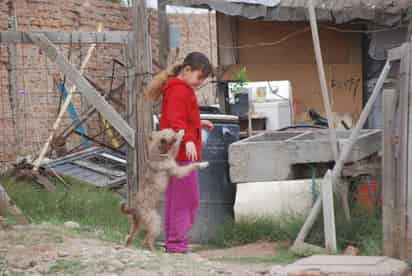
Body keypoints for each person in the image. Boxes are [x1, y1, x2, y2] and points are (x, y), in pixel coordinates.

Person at [159, 52, 214, 253]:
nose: (200, 82)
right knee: (188, 199)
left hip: (176, 153)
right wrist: (189, 139)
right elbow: (176, 120)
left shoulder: (179, 89)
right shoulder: (179, 91)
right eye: (199, 77)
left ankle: (173, 242)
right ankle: (176, 243)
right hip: (181, 153)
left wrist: (199, 123)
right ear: (187, 70)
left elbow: (181, 118)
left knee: (177, 198)